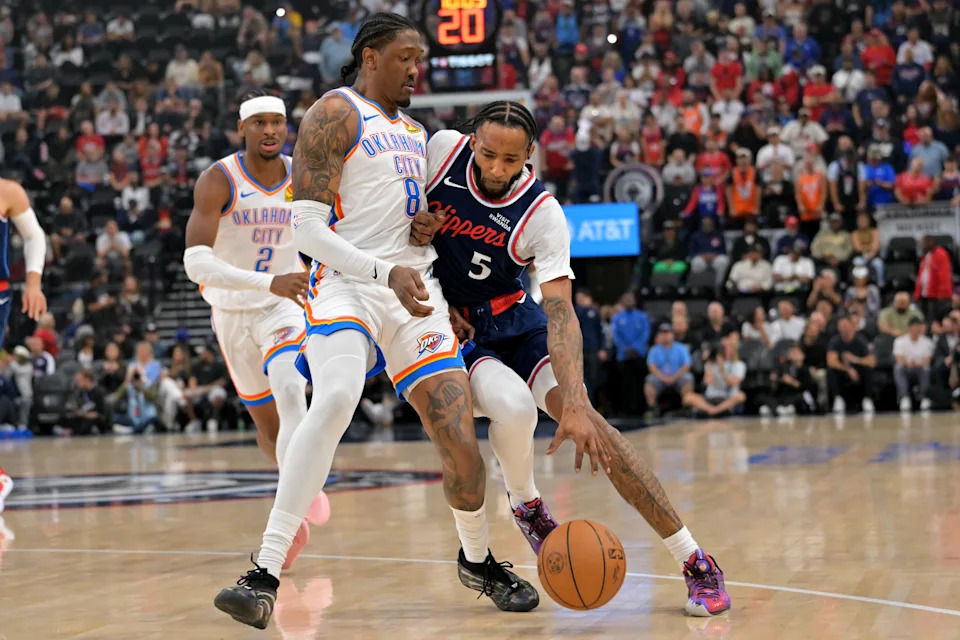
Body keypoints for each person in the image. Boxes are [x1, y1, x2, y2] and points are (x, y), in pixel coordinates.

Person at [215, 16, 538, 630]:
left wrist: (425, 232)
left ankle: (477, 560)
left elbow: (417, 216)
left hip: (413, 296)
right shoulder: (334, 113)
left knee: (461, 443)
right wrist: (381, 270)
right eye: (406, 58)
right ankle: (264, 570)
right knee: (334, 399)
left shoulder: (417, 131)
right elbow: (305, 230)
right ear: (369, 56)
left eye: (421, 59)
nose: (418, 69)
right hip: (346, 287)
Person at [413, 102, 730, 617]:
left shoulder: (542, 212)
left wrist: (577, 403)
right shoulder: (439, 152)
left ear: (530, 156)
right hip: (457, 329)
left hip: (517, 320)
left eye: (509, 160)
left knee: (599, 433)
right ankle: (528, 506)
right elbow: (395, 225)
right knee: (513, 407)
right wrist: (432, 294)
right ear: (472, 140)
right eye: (489, 154)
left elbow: (560, 310)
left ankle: (695, 560)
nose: (496, 168)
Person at [184, 90, 330, 573]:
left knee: (292, 389)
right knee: (268, 431)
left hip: (285, 304)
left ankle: (288, 520)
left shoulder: (303, 175)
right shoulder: (218, 179)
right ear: (243, 129)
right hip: (230, 311)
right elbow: (195, 261)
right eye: (260, 123)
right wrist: (267, 280)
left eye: (278, 122)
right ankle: (298, 478)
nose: (270, 130)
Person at [683, 334, 746, 417]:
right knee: (688, 397)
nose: (725, 350)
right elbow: (708, 382)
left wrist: (722, 370)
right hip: (711, 398)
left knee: (741, 396)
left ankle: (716, 410)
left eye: (728, 347)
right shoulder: (711, 364)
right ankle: (711, 410)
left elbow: (732, 384)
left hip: (727, 398)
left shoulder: (739, 364)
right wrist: (709, 362)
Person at [826, 315, 876, 414]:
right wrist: (848, 369)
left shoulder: (861, 340)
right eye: (840, 326)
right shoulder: (835, 341)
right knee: (831, 371)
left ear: (852, 326)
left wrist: (854, 359)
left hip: (859, 371)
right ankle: (838, 399)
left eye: (844, 326)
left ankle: (867, 399)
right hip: (843, 371)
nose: (842, 329)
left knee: (868, 370)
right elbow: (831, 361)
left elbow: (871, 361)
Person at [893, 318, 934, 412]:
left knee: (926, 369)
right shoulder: (900, 341)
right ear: (909, 327)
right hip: (906, 367)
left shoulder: (927, 342)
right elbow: (899, 358)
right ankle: (904, 397)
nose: (916, 329)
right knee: (898, 367)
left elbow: (928, 360)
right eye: (914, 327)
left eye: (918, 327)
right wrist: (907, 363)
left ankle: (925, 397)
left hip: (920, 368)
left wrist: (919, 363)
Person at [915, 235, 953, 322]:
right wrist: (917, 293)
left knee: (934, 320)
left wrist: (943, 294)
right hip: (925, 294)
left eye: (923, 243)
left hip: (937, 296)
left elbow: (944, 276)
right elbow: (922, 276)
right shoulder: (927, 255)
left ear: (930, 242)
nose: (921, 245)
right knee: (926, 319)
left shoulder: (941, 254)